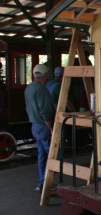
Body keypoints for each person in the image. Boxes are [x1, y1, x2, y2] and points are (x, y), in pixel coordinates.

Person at [25, 64, 55, 193]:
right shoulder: (41, 90)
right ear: (45, 75)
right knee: (51, 156)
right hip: (43, 126)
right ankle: (48, 184)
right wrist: (52, 129)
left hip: (34, 126)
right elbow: (45, 112)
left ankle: (41, 183)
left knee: (41, 156)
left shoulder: (29, 88)